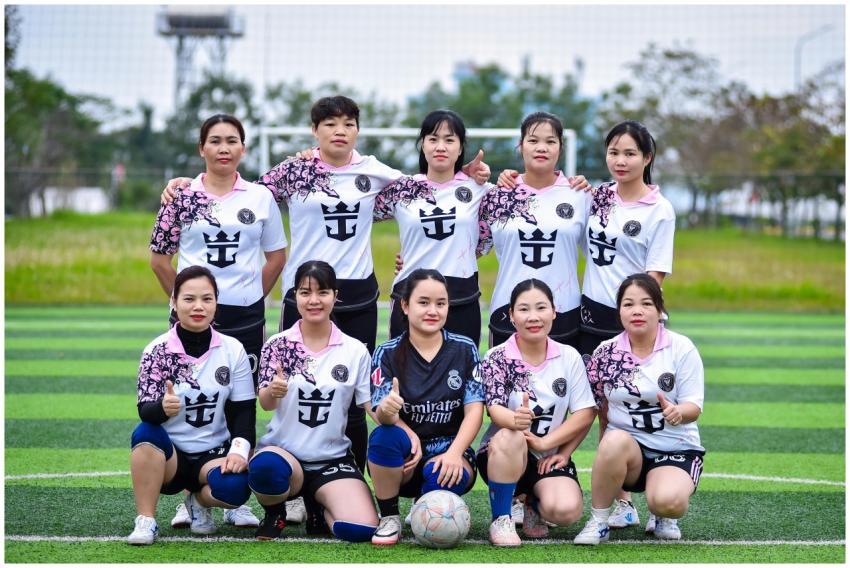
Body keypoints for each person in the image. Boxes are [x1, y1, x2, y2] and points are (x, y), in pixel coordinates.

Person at [162, 97, 490, 483]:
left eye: (348, 124)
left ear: (357, 130)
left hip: (359, 295)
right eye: (330, 124)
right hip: (305, 293)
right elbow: (242, 191)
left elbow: (431, 191)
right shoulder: (294, 171)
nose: (339, 131)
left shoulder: (375, 172)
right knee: (292, 385)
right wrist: (187, 184)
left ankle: (354, 477)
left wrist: (465, 174)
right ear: (314, 130)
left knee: (358, 393)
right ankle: (288, 472)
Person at [150, 113, 286, 529]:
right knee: (189, 396)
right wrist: (187, 301)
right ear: (201, 148)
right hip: (191, 320)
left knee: (238, 398)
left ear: (243, 148)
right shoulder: (182, 196)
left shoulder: (260, 197)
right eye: (215, 141)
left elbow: (276, 255)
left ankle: (232, 483)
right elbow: (158, 258)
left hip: (245, 316)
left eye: (232, 141)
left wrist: (250, 295)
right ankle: (189, 493)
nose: (223, 148)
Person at [578, 121, 675, 530]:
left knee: (647, 406)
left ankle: (659, 498)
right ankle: (622, 502)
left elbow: (655, 277)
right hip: (590, 317)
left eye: (630, 153)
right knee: (605, 413)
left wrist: (634, 321)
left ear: (647, 158)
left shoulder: (660, 209)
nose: (621, 160)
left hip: (634, 323)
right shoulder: (597, 197)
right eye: (614, 152)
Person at [246, 260, 378, 543]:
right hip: (285, 454)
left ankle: (319, 505)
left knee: (360, 529)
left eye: (323, 292)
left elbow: (370, 407)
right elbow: (266, 404)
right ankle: (275, 512)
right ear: (295, 295)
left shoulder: (354, 350)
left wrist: (392, 414)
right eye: (305, 292)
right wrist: (274, 390)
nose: (314, 300)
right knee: (265, 468)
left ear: (335, 295)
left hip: (331, 458)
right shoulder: (277, 345)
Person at [127, 266, 257, 545]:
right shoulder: (156, 350)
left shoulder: (233, 349)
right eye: (189, 299)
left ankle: (198, 501)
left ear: (216, 303)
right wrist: (163, 408)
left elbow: (244, 411)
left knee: (236, 489)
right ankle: (146, 520)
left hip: (213, 453)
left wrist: (239, 450)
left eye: (207, 299)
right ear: (173, 301)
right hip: (172, 457)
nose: (198, 306)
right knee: (144, 433)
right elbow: (145, 411)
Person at [574, 273, 705, 545]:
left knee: (667, 502)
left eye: (646, 304)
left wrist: (679, 412)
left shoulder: (681, 348)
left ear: (659, 309)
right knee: (612, 441)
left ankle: (662, 514)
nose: (637, 311)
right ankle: (598, 521)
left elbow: (694, 406)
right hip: (631, 452)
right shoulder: (605, 353)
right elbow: (600, 411)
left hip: (674, 449)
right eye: (628, 304)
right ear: (619, 310)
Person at [367, 269, 484, 545]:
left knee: (437, 476)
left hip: (449, 452)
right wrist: (389, 410)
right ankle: (390, 516)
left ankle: (425, 501)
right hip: (405, 455)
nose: (433, 310)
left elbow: (475, 411)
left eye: (440, 303)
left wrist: (455, 453)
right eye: (423, 302)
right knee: (383, 437)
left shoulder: (464, 349)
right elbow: (381, 415)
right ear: (405, 306)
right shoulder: (386, 353)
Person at [476, 279, 596, 546]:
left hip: (547, 456)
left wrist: (558, 450)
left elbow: (585, 412)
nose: (533, 317)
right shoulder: (497, 356)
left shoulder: (569, 357)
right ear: (511, 315)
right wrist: (514, 420)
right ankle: (502, 518)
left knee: (566, 511)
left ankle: (533, 503)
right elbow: (494, 409)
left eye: (541, 308)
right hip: (503, 454)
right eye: (524, 309)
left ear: (554, 311)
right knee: (511, 437)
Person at [374, 110, 488, 347]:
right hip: (410, 297)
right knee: (405, 375)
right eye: (433, 139)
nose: (441, 147)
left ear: (460, 147)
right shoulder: (402, 189)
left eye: (449, 140)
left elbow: (494, 231)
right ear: (422, 144)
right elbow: (356, 207)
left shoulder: (480, 190)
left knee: (462, 378)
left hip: (462, 297)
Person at [479, 112, 592, 350]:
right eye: (533, 140)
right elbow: (470, 248)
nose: (542, 147)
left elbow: (604, 251)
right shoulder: (497, 196)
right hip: (507, 312)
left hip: (565, 312)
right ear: (520, 146)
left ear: (560, 148)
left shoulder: (580, 195)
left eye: (550, 141)